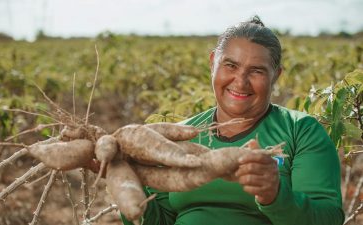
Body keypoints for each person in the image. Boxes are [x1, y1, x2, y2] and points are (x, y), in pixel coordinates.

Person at [121, 16, 344, 225]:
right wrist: (127, 184)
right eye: (231, 65)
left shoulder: (301, 131)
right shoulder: (177, 137)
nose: (240, 82)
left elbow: (328, 217)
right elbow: (160, 220)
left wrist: (275, 196)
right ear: (212, 63)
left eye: (256, 71)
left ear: (276, 75)